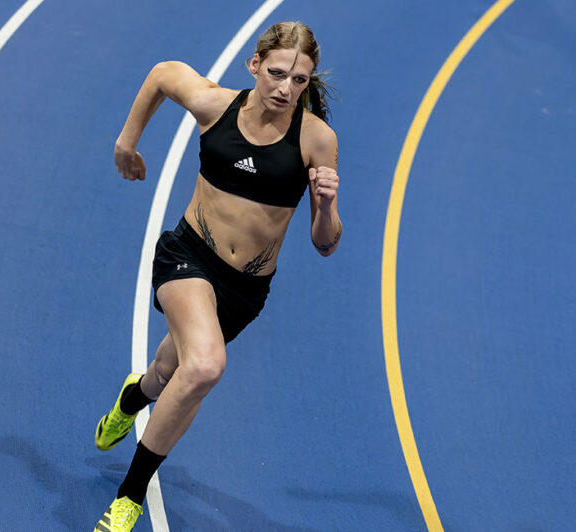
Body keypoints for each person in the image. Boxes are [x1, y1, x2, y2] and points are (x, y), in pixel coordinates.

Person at [93, 21, 342, 532]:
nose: (284, 89)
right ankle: (130, 497)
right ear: (254, 64)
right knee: (205, 366)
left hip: (244, 290)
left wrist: (326, 206)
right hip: (189, 257)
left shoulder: (316, 139)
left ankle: (133, 397)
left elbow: (325, 244)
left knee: (170, 374)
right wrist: (126, 143)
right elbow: (164, 73)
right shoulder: (216, 107)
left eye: (298, 82)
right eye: (275, 74)